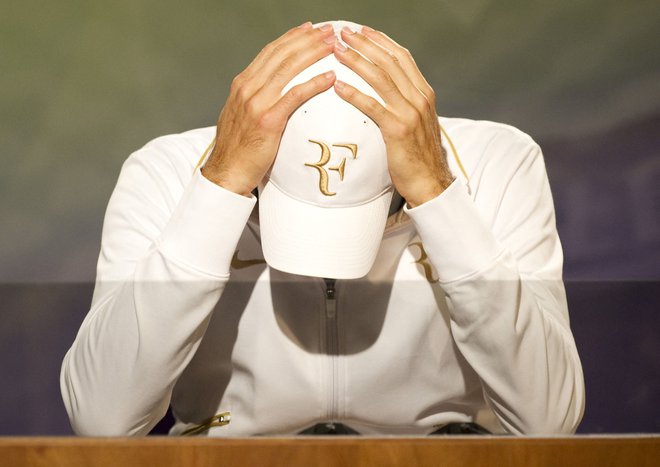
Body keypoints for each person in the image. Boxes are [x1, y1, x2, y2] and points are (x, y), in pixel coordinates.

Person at [60, 20, 585, 436]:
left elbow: (547, 421)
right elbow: (103, 420)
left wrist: (436, 193)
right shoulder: (165, 171)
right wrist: (219, 186)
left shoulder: (500, 162)